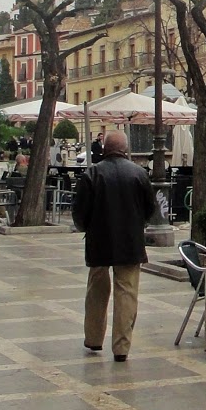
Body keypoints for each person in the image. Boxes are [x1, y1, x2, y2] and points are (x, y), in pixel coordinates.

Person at [73, 130, 153, 361]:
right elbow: (150, 209)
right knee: (126, 292)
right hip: (129, 242)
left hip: (99, 240)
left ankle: (94, 338)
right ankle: (121, 347)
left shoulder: (92, 174)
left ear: (104, 149)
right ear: (125, 150)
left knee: (97, 290)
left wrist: (86, 227)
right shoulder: (139, 174)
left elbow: (80, 212)